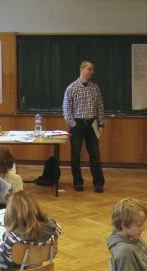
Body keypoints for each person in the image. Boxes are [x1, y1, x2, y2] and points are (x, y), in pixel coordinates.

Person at [62, 60, 105, 193]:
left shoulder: (95, 88)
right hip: (77, 124)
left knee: (95, 154)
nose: (92, 72)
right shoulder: (71, 88)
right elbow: (66, 109)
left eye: (93, 70)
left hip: (92, 124)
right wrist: (74, 125)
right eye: (89, 69)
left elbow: (100, 107)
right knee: (75, 155)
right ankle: (78, 182)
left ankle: (98, 183)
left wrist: (101, 124)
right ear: (82, 69)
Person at [0, 191, 61, 270]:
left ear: (12, 214)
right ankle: (33, 265)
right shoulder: (54, 229)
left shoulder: (12, 239)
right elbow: (53, 253)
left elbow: (7, 261)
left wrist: (0, 244)